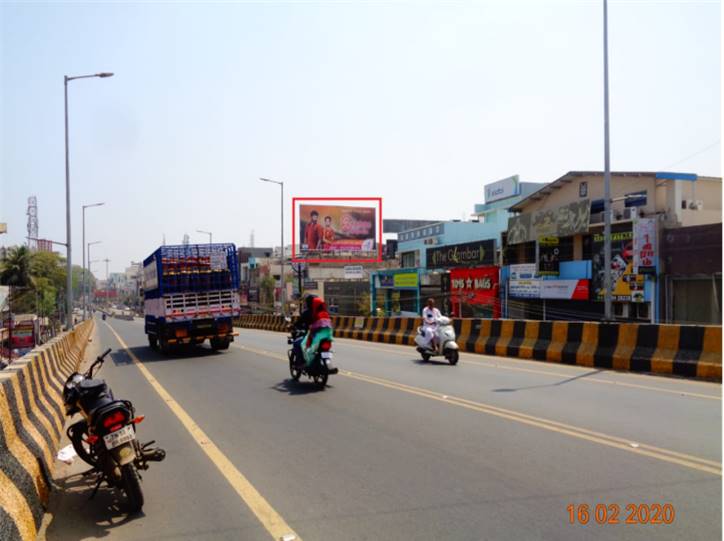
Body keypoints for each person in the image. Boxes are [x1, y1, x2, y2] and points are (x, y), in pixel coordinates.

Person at [292, 294, 333, 368]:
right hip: (326, 336)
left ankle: (300, 363)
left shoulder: (308, 313)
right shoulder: (325, 313)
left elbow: (299, 323)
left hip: (312, 336)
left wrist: (293, 326)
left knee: (297, 343)